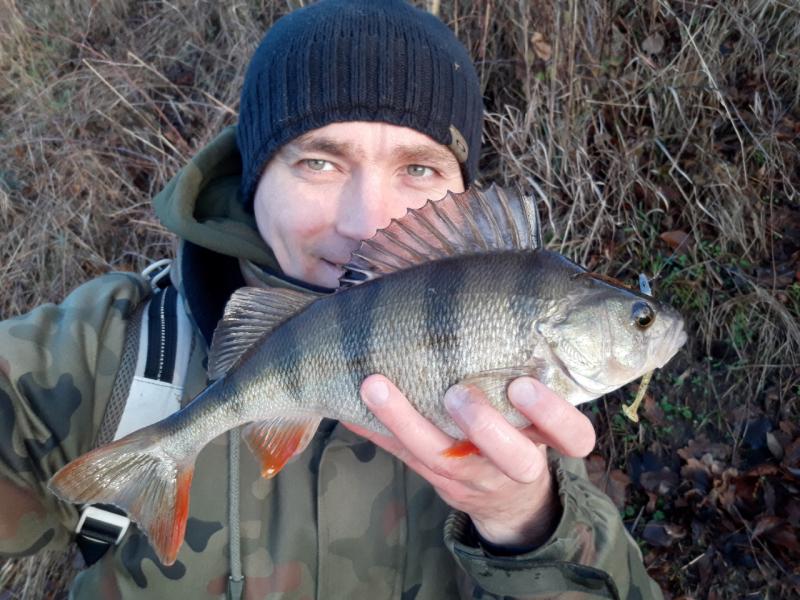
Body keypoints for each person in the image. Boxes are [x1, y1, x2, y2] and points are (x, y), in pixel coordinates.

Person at [0, 0, 664, 597]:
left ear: (460, 197)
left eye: (419, 168)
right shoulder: (93, 355)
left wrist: (525, 521)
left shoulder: (533, 432)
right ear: (252, 177)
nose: (365, 221)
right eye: (319, 161)